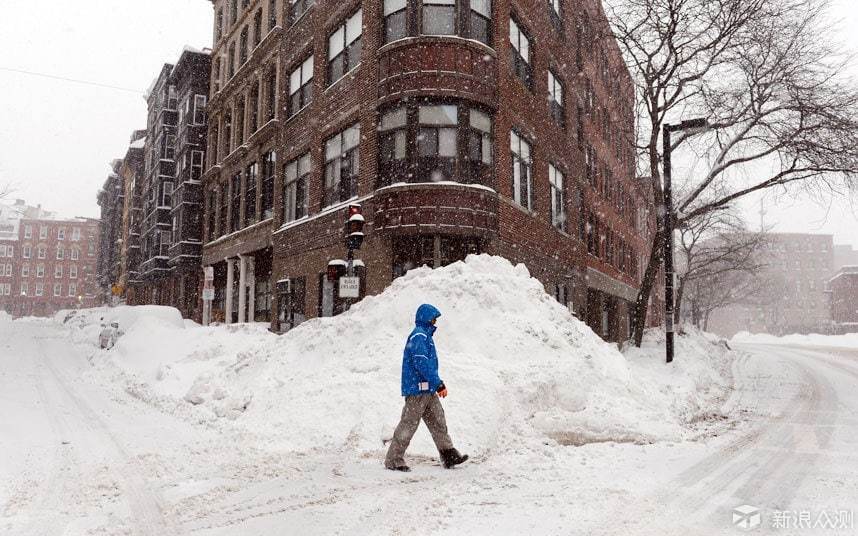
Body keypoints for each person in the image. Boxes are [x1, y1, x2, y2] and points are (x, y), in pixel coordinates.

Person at [385, 304, 468, 472]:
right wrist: (439, 383)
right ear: (426, 318)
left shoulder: (425, 336)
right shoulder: (419, 336)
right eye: (433, 318)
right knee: (408, 424)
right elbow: (422, 363)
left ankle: (449, 455)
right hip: (417, 389)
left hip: (427, 389)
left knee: (438, 421)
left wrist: (434, 384)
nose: (435, 322)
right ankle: (393, 460)